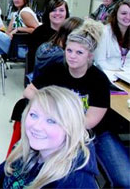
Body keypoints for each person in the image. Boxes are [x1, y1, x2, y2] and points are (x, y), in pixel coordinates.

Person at [24, 19, 130, 187]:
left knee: (125, 180)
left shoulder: (98, 79)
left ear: (90, 56)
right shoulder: (56, 69)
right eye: (69, 50)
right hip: (60, 130)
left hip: (95, 133)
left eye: (79, 53)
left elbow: (90, 121)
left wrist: (59, 119)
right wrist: (49, 106)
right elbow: (29, 91)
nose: (72, 56)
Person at [0, 86, 98, 188]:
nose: (36, 126)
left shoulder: (76, 183)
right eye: (33, 115)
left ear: (71, 128)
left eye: (51, 121)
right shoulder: (24, 151)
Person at [27, 0, 69, 75]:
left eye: (61, 10)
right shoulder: (38, 32)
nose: (57, 13)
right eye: (53, 10)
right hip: (44, 74)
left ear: (66, 13)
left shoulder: (70, 32)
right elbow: (32, 59)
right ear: (48, 13)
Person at [94, 0, 130, 78]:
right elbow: (99, 61)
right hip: (106, 75)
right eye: (124, 13)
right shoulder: (104, 32)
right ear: (115, 14)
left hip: (126, 77)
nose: (128, 17)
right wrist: (119, 71)